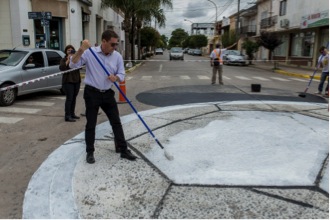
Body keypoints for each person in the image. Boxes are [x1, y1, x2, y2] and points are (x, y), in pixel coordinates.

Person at [69, 30, 137, 163]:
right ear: (104, 41)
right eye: (112, 44)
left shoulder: (116, 56)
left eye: (116, 44)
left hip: (107, 93)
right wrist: (81, 50)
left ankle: (123, 150)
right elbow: (73, 64)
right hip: (92, 93)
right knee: (91, 123)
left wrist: (116, 77)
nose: (114, 47)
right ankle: (90, 152)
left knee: (116, 122)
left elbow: (122, 74)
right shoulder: (90, 53)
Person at [59, 45, 81, 122]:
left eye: (72, 50)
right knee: (69, 99)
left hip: (76, 81)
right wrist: (68, 59)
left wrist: (75, 57)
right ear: (66, 51)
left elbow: (80, 66)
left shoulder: (75, 59)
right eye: (68, 50)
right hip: (68, 82)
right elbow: (62, 68)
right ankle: (67, 115)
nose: (70, 51)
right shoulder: (63, 59)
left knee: (74, 98)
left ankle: (72, 113)